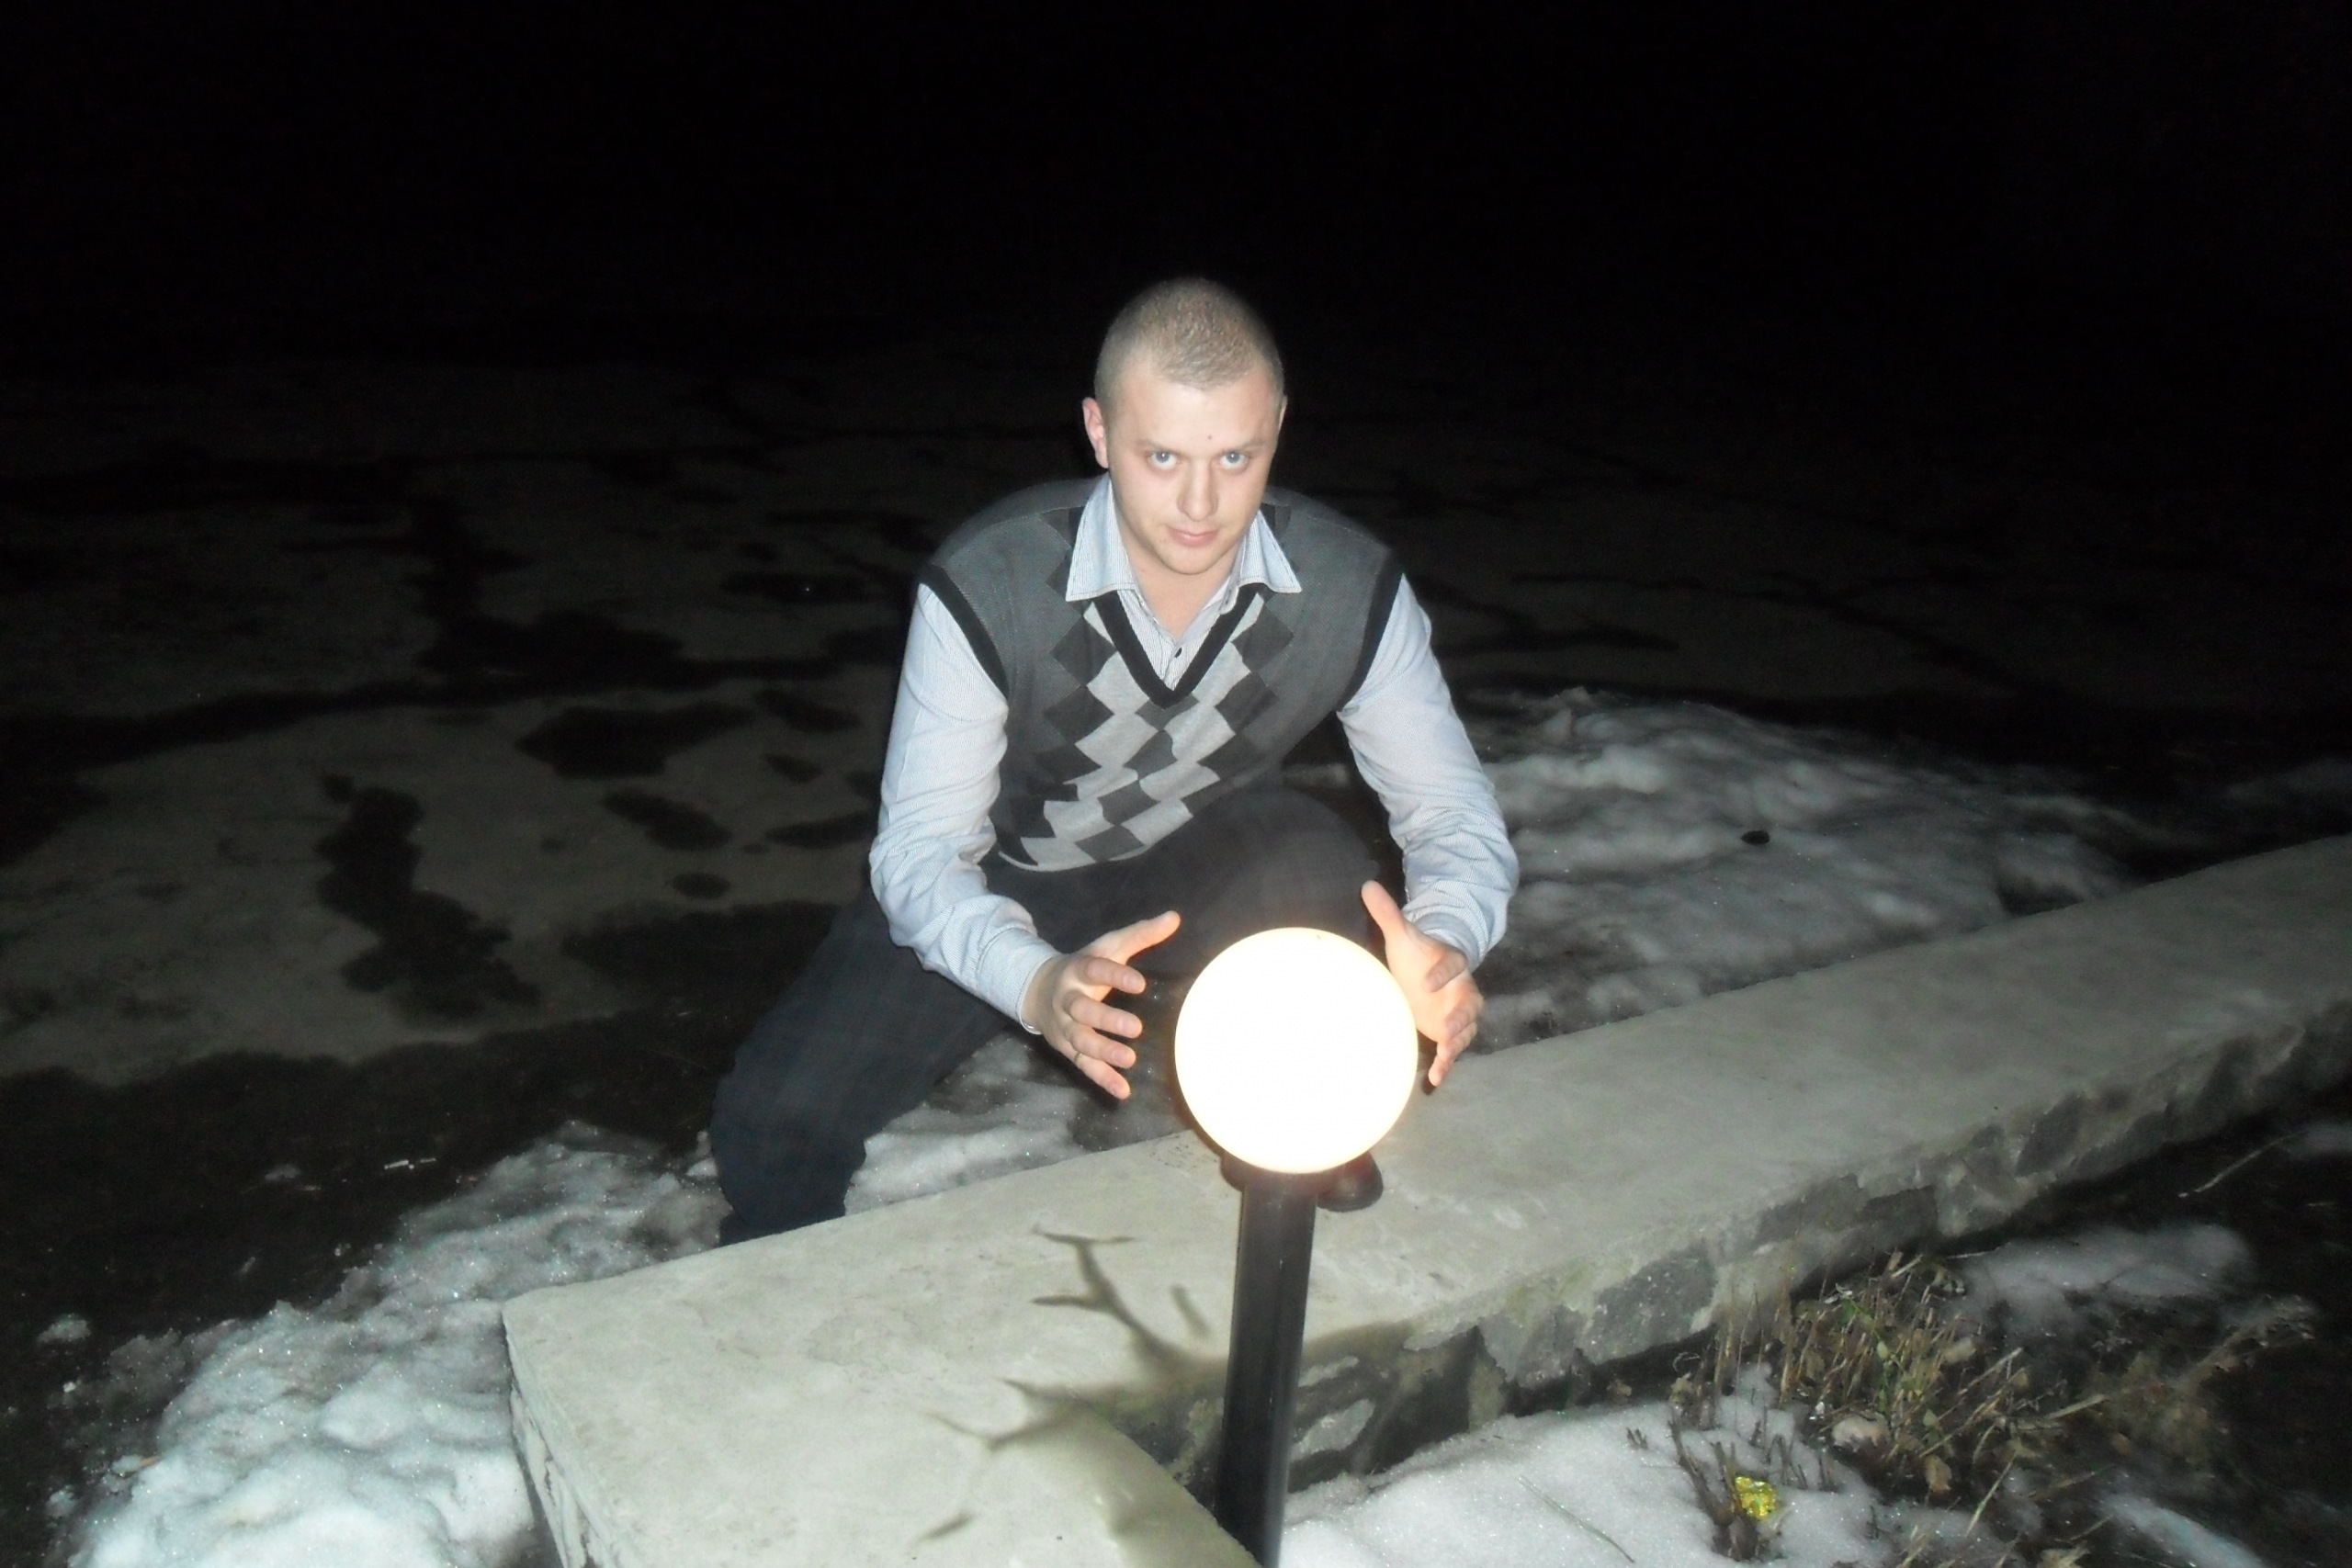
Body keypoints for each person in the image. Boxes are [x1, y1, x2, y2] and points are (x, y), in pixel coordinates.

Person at [709, 279, 1517, 1242]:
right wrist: (1032, 981)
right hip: (1006, 869)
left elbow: (1450, 810)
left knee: (1326, 873)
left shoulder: (1353, 589)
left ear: (1276, 430)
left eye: (1235, 456)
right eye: (1161, 455)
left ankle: (1296, 1115)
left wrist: (1446, 940)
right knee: (774, 1127)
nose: (1199, 503)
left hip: (1196, 843)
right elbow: (920, 854)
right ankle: (785, 1281)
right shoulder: (991, 583)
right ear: (1098, 431)